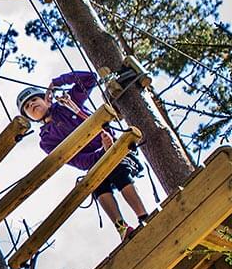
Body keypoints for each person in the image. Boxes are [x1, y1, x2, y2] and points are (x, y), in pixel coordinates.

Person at [18, 70, 150, 240]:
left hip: (115, 151)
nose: (31, 105)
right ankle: (122, 229)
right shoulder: (47, 140)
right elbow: (77, 161)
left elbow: (89, 78)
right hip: (94, 161)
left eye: (34, 99)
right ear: (29, 116)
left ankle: (143, 216)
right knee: (96, 185)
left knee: (119, 172)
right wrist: (101, 151)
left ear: (46, 98)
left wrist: (56, 81)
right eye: (27, 107)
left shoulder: (69, 103)